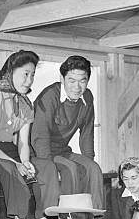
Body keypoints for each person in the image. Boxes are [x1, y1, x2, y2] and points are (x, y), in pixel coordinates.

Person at [0, 50, 59, 219]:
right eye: (25, 74)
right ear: (10, 71)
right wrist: (17, 164)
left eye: (32, 75)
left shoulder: (25, 103)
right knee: (13, 170)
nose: (29, 80)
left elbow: (23, 142)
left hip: (16, 150)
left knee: (48, 168)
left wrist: (25, 161)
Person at [31, 56, 104, 209]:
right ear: (62, 79)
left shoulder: (88, 97)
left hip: (62, 151)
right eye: (71, 81)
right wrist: (49, 169)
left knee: (94, 169)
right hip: (38, 154)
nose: (77, 87)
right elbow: (40, 138)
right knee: (70, 169)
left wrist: (88, 163)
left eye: (82, 81)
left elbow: (87, 134)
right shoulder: (49, 96)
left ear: (87, 80)